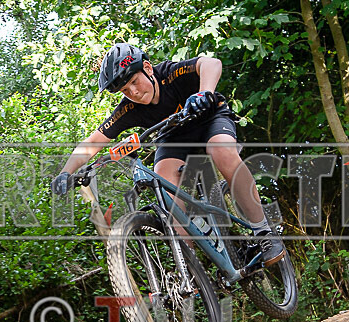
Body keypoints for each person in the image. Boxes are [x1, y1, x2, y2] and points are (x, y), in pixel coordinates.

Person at [51, 43, 284, 266]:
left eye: (134, 81)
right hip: (173, 138)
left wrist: (204, 93)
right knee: (165, 189)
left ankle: (264, 231)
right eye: (124, 89)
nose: (132, 91)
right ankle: (189, 268)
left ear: (148, 69)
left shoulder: (170, 73)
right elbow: (93, 142)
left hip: (208, 119)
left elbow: (211, 63)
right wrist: (65, 172)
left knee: (222, 151)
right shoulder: (128, 109)